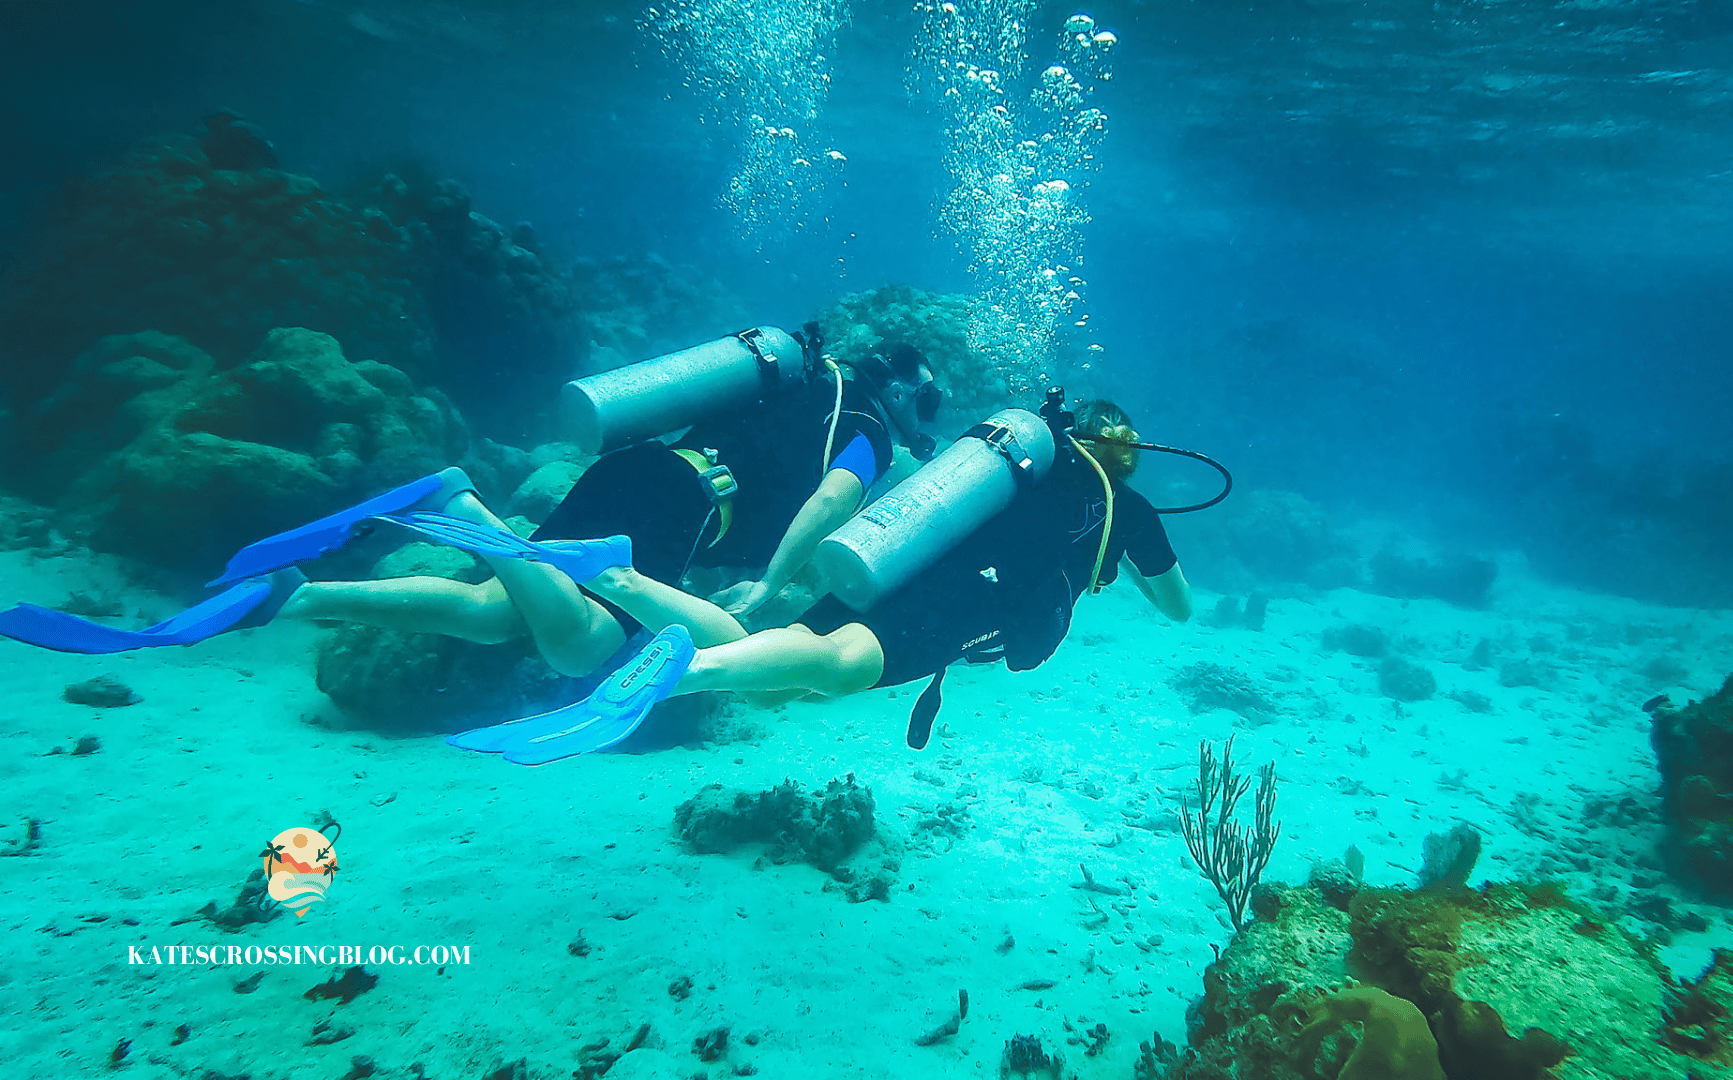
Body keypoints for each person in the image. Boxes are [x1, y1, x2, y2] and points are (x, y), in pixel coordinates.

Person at [0, 335, 944, 679]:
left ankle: (302, 598)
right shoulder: (868, 425)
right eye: (926, 408)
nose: (919, 427)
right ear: (901, 390)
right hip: (690, 500)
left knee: (500, 616)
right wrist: (777, 589)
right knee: (580, 648)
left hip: (637, 470)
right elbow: (828, 499)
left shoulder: (786, 375)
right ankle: (467, 510)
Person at [444, 397, 1196, 765]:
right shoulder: (1124, 508)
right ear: (1125, 456)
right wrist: (1132, 544)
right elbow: (1178, 606)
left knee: (779, 675)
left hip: (895, 555)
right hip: (975, 594)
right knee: (835, 668)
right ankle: (676, 671)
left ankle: (623, 580)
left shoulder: (1010, 474)